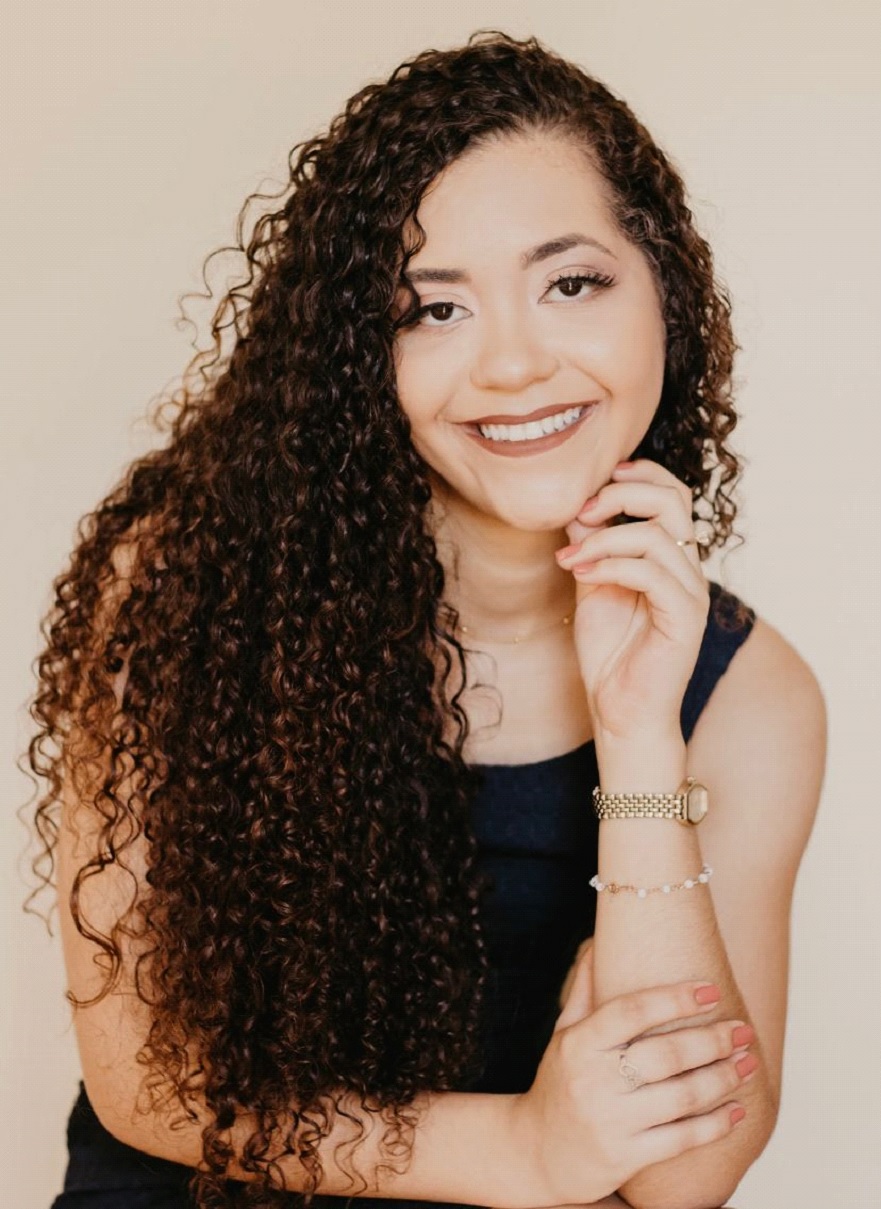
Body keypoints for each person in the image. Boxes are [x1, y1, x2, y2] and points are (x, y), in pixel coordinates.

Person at [26, 29, 826, 1209]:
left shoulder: (751, 698)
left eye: (569, 284)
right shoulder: (187, 587)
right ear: (362, 352)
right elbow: (141, 1077)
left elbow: (682, 1174)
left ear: (663, 291)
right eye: (433, 309)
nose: (511, 365)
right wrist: (525, 1152)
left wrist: (637, 732)